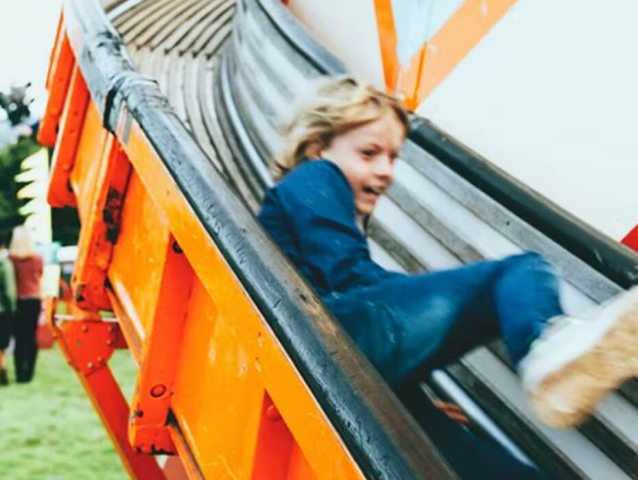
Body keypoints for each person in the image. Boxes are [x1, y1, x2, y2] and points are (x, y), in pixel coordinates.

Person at [258, 76, 638, 478]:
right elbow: (350, 276)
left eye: (393, 157)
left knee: (469, 459)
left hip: (335, 361)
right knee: (518, 272)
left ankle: (547, 366)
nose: (386, 171)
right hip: (323, 341)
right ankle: (544, 346)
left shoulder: (320, 200)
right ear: (317, 148)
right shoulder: (314, 177)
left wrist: (401, 396)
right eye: (369, 153)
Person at [9, 225, 43, 383]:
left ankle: (19, 373)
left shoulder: (11, 259)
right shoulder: (37, 258)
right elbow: (40, 275)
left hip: (17, 300)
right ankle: (29, 373)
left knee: (19, 338)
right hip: (34, 299)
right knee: (31, 337)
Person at [0, 231, 17, 385]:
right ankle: (1, 367)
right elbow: (9, 290)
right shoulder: (4, 263)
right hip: (1, 310)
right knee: (0, 344)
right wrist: (12, 309)